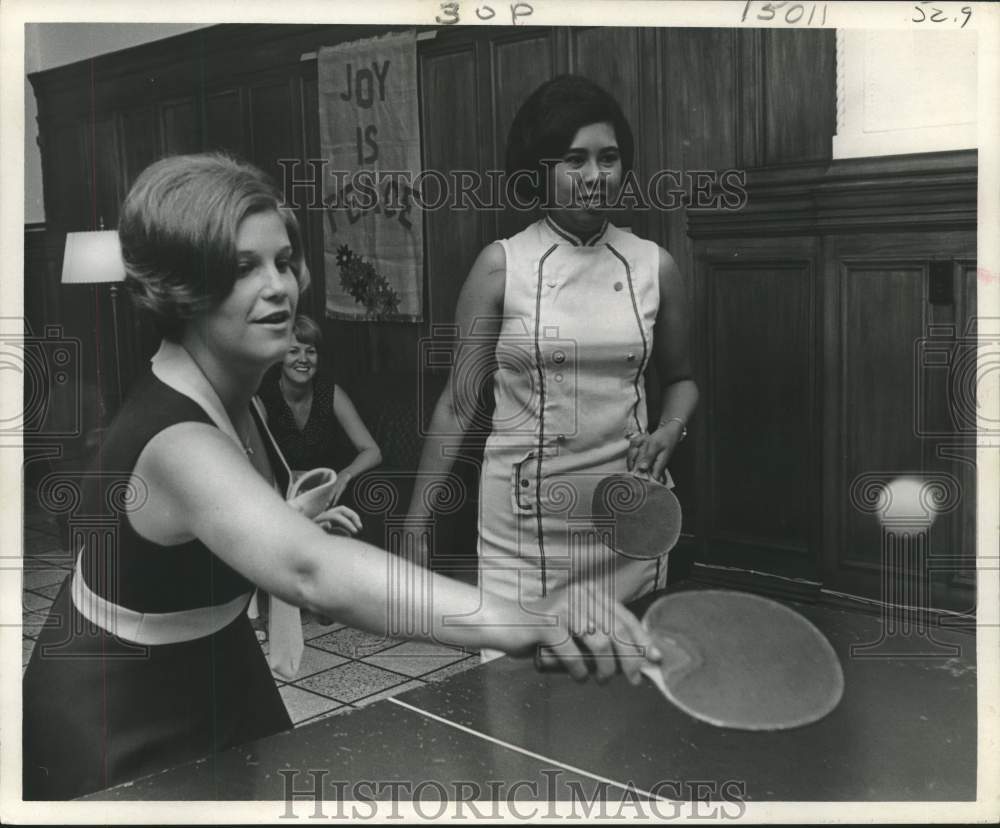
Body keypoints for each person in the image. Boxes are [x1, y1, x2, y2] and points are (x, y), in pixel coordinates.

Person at [21, 153, 657, 801]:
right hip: (116, 709)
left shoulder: (240, 388)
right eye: (243, 268)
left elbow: (233, 536)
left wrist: (281, 523)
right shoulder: (178, 439)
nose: (280, 286)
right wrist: (523, 619)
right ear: (185, 284)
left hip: (217, 665)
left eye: (283, 259)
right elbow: (311, 571)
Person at [405, 75, 698, 611]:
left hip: (624, 511)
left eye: (608, 158)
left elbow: (681, 380)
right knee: (516, 685)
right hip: (521, 520)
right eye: (574, 160)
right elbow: (458, 401)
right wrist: (417, 521)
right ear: (541, 171)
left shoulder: (656, 266)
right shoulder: (502, 265)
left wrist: (668, 433)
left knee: (619, 683)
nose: (595, 176)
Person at [257, 314, 381, 511]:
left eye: (311, 351)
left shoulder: (331, 393)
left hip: (328, 498)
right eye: (294, 351)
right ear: (280, 357)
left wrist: (345, 475)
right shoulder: (263, 397)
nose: (303, 359)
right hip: (280, 501)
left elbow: (373, 451)